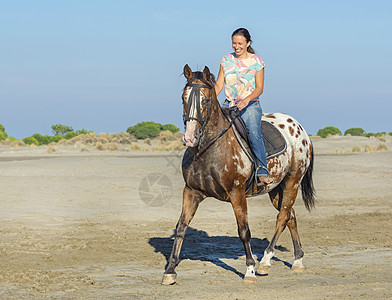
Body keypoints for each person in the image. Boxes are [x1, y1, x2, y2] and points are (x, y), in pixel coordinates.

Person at [214, 27, 273, 186]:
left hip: (250, 106)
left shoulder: (256, 61)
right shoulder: (226, 60)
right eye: (234, 43)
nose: (236, 46)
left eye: (240, 43)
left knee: (254, 133)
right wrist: (209, 98)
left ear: (248, 43)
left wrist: (246, 100)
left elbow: (259, 88)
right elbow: (219, 84)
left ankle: (262, 170)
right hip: (229, 105)